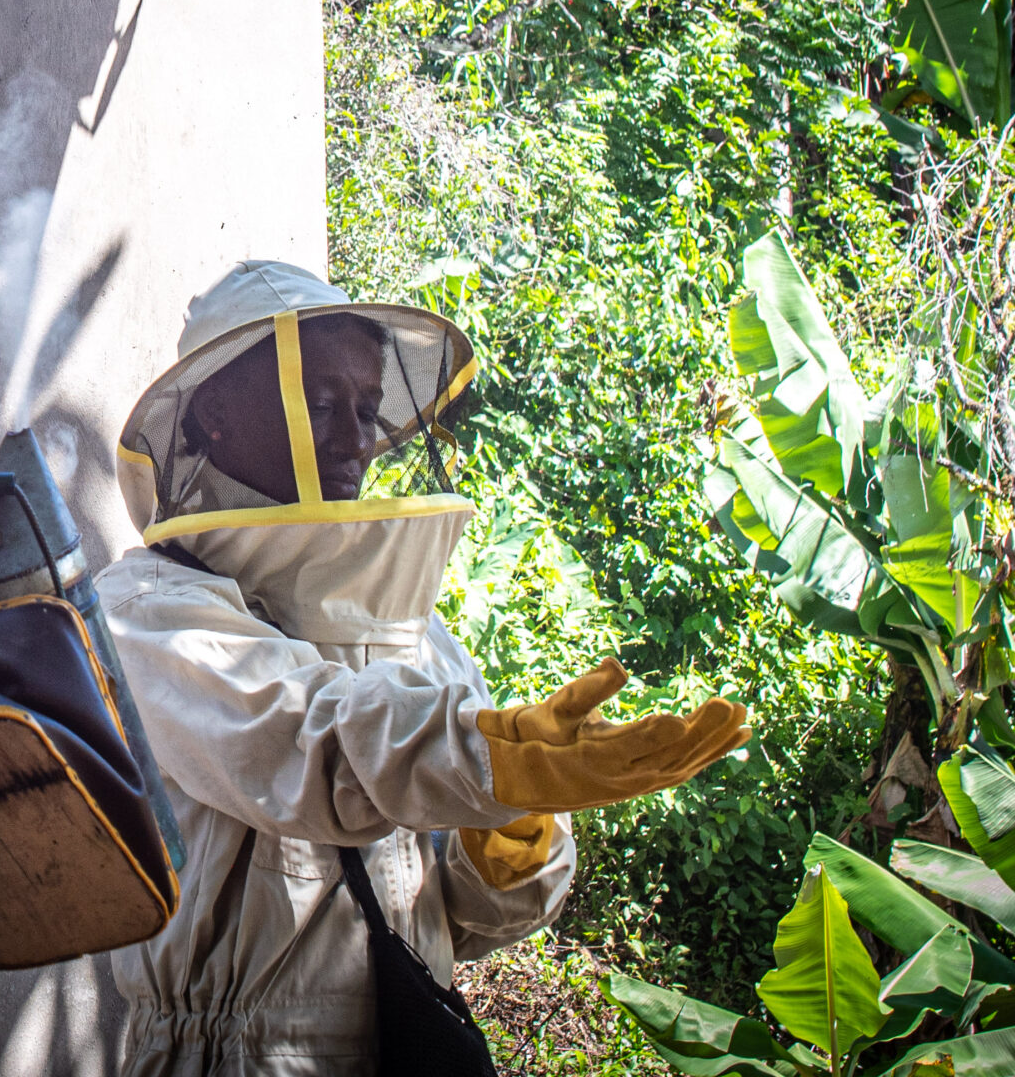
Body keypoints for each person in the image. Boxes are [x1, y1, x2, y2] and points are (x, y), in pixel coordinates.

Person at [98, 260, 750, 1076]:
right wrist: (485, 760)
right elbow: (309, 741)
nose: (357, 438)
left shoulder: (415, 631)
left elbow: (465, 924)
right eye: (322, 403)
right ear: (217, 413)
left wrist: (512, 827)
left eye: (367, 408)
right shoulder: (149, 608)